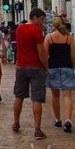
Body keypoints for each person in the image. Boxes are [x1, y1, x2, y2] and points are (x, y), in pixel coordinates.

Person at [12, 8, 49, 139]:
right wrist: (46, 67)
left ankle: (16, 123)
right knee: (37, 99)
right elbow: (41, 52)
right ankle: (37, 129)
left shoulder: (19, 28)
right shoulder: (36, 30)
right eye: (41, 19)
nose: (42, 22)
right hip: (35, 67)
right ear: (35, 17)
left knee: (19, 96)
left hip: (21, 66)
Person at [45, 16, 75, 133]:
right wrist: (73, 66)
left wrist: (45, 68)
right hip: (66, 66)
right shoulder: (69, 38)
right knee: (67, 95)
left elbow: (45, 55)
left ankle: (57, 119)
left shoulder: (49, 37)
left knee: (55, 95)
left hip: (53, 67)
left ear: (53, 25)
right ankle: (68, 120)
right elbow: (72, 55)